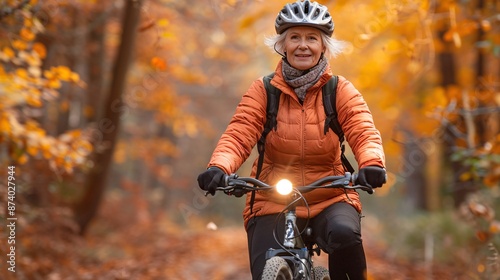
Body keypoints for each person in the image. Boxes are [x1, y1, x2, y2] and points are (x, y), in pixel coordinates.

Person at [197, 0, 386, 279]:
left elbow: (363, 130)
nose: (303, 45)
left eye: (312, 38)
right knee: (265, 271)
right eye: (294, 37)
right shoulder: (263, 90)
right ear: (282, 45)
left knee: (345, 235)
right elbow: (239, 133)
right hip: (271, 199)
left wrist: (371, 163)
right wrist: (220, 168)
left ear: (324, 46)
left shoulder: (340, 90)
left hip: (330, 196)